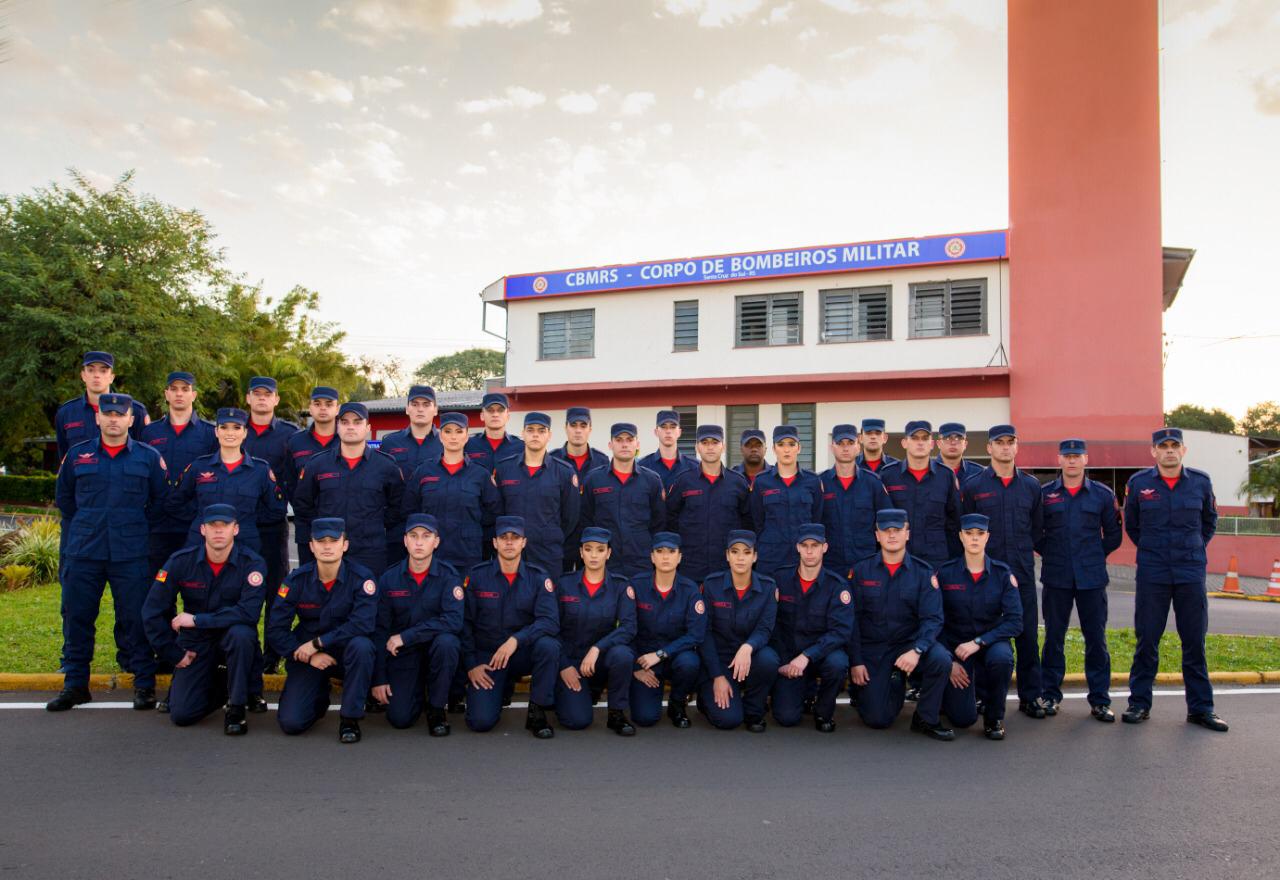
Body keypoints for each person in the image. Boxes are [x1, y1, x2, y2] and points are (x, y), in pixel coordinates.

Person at [47, 393, 167, 713]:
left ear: (131, 419)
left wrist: (133, 529)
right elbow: (66, 500)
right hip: (85, 550)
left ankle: (143, 684)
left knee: (134, 619)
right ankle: (75, 686)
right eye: (107, 414)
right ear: (98, 418)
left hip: (130, 553)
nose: (114, 419)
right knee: (78, 618)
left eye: (120, 414)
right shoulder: (77, 455)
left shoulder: (147, 458)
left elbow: (159, 503)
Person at [1122, 428, 1227, 731]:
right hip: (1153, 572)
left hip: (1190, 572)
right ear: (1153, 451)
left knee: (1194, 641)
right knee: (1147, 640)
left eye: (1174, 446)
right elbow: (1133, 526)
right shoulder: (1139, 484)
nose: (1169, 451)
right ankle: (1139, 703)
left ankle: (1200, 708)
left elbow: (1209, 522)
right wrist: (1157, 552)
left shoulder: (1201, 482)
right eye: (1163, 446)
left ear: (1184, 450)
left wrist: (1191, 548)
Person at [141, 504, 266, 735]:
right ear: (202, 530)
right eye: (213, 526)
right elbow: (152, 610)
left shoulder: (252, 564)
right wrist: (172, 653)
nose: (219, 531)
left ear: (235, 529)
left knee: (242, 634)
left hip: (232, 639)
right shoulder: (181, 561)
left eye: (225, 526)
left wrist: (198, 619)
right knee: (182, 715)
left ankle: (236, 708)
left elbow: (248, 613)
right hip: (196, 644)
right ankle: (223, 687)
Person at [960, 424, 1047, 719]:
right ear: (989, 448)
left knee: (1027, 638)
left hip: (1021, 574)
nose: (1006, 447)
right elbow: (967, 530)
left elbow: (1037, 530)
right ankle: (985, 696)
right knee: (986, 636)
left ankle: (1030, 696)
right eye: (1000, 442)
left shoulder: (1032, 486)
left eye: (1011, 442)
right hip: (987, 577)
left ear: (1017, 446)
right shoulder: (974, 486)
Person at [267, 518, 377, 743]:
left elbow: (362, 624)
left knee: (362, 646)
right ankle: (318, 696)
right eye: (321, 541)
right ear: (311, 546)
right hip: (310, 656)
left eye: (333, 540)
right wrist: (309, 656)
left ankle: (349, 719)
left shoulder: (361, 579)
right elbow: (276, 629)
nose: (327, 546)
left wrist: (318, 643)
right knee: (292, 723)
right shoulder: (296, 581)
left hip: (346, 652)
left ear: (344, 545)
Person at [847, 509, 953, 740]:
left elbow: (933, 619)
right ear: (877, 535)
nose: (892, 535)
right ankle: (889, 684)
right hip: (875, 649)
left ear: (907, 534)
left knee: (941, 659)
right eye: (886, 531)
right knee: (878, 719)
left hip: (909, 644)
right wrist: (856, 662)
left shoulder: (923, 573)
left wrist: (917, 650)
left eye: (897, 530)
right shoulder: (861, 571)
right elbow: (851, 620)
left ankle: (925, 718)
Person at [1037, 439, 1123, 720]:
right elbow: (1036, 533)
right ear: (1059, 460)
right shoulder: (1045, 494)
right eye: (1067, 456)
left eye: (1077, 456)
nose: (1072, 461)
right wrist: (1052, 554)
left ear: (1086, 459)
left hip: (1091, 578)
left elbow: (1113, 534)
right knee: (1053, 638)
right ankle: (1049, 696)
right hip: (1057, 576)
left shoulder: (1101, 494)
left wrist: (1092, 556)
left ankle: (1100, 699)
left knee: (1096, 640)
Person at [461, 516, 562, 738]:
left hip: (522, 652)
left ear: (524, 543)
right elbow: (465, 624)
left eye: (515, 538)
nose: (509, 542)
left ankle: (537, 711)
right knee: (480, 722)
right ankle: (500, 687)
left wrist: (516, 640)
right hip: (488, 657)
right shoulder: (477, 577)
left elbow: (550, 621)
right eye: (504, 538)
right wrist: (471, 665)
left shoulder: (538, 577)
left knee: (549, 646)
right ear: (495, 543)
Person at [371, 514, 463, 736]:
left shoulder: (449, 577)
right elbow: (380, 629)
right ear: (405, 541)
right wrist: (379, 678)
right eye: (413, 536)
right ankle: (417, 691)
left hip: (434, 649)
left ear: (436, 542)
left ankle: (437, 708)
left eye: (426, 536)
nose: (419, 542)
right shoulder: (389, 578)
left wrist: (407, 636)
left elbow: (453, 620)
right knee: (399, 719)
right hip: (403, 655)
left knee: (448, 642)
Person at [935, 514, 1023, 740]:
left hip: (989, 643)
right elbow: (935, 620)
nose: (974, 539)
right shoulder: (945, 574)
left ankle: (994, 718)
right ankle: (960, 694)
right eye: (969, 534)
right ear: (961, 537)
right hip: (957, 649)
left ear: (987, 538)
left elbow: (1015, 621)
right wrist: (949, 662)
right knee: (963, 719)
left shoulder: (1003, 574)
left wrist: (979, 642)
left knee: (1002, 659)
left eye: (980, 534)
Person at [292, 402, 404, 576]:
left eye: (357, 422)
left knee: (370, 600)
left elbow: (398, 506)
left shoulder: (386, 466)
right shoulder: (318, 464)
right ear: (338, 426)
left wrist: (375, 525)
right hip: (329, 550)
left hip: (370, 552)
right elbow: (303, 504)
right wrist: (324, 530)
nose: (350, 427)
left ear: (368, 427)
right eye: (345, 422)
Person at [240, 376, 300, 675]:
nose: (262, 399)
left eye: (268, 395)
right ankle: (242, 652)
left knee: (275, 593)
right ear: (248, 398)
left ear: (276, 400)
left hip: (273, 526)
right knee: (239, 590)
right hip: (238, 526)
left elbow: (292, 477)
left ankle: (271, 656)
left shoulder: (289, 435)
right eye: (257, 394)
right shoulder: (234, 429)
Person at [166, 408, 285, 557]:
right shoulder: (199, 466)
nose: (230, 433)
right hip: (201, 544)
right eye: (224, 427)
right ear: (216, 432)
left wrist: (248, 519)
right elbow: (174, 503)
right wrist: (201, 517)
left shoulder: (260, 470)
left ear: (245, 433)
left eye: (236, 428)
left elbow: (277, 510)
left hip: (244, 545)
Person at [553, 527, 638, 734]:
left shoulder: (620, 586)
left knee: (623, 654)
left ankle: (616, 713)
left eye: (600, 550)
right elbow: (551, 628)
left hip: (600, 660)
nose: (593, 555)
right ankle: (572, 693)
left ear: (608, 553)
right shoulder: (564, 584)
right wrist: (563, 665)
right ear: (580, 552)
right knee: (577, 721)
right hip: (571, 662)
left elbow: (628, 627)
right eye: (588, 549)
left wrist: (597, 648)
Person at [769, 524, 854, 732]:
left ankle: (823, 710)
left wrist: (807, 656)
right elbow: (772, 624)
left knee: (838, 663)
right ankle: (804, 692)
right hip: (789, 658)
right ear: (797, 547)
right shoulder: (780, 580)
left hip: (820, 655)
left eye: (814, 545)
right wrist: (781, 661)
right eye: (804, 545)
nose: (809, 551)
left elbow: (840, 632)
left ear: (824, 548)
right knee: (786, 718)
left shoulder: (837, 586)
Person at [698, 530, 781, 732]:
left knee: (769, 659)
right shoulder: (711, 585)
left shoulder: (768, 587)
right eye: (735, 552)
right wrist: (717, 676)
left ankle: (754, 711)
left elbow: (765, 628)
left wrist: (748, 647)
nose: (740, 558)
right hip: (720, 660)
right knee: (728, 721)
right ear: (727, 555)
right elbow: (704, 633)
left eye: (746, 552)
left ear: (755, 556)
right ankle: (706, 696)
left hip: (750, 657)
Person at [402, 411, 501, 572]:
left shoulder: (480, 475)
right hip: (430, 557)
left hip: (468, 557)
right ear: (440, 436)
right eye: (448, 431)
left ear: (467, 436)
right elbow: (409, 510)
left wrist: (472, 530)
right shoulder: (424, 472)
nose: (453, 437)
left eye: (459, 431)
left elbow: (494, 513)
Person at [142, 371, 216, 577]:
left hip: (194, 524)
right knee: (157, 587)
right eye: (174, 389)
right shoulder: (150, 433)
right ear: (166, 394)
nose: (179, 394)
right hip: (158, 524)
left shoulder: (210, 434)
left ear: (194, 395)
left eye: (185, 389)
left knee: (196, 586)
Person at [629, 532, 706, 728]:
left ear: (679, 557)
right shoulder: (636, 586)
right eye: (660, 551)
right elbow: (625, 628)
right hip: (644, 661)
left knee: (690, 662)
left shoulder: (690, 590)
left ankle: (677, 702)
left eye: (671, 552)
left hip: (674, 658)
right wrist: (635, 668)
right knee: (645, 718)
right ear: (652, 557)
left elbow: (696, 634)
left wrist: (661, 654)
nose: (665, 557)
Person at [493, 412, 581, 576]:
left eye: (541, 430)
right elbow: (497, 511)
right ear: (523, 434)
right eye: (530, 430)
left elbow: (571, 517)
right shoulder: (505, 469)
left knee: (547, 600)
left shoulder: (563, 472)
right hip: (512, 555)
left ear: (549, 435)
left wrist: (547, 534)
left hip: (547, 554)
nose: (535, 434)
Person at [665, 424, 751, 582]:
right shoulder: (684, 481)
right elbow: (670, 520)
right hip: (690, 568)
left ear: (723, 446)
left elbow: (748, 523)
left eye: (715, 442)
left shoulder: (738, 483)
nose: (710, 447)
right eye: (705, 443)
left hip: (727, 568)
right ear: (697, 447)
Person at [580, 423, 666, 577]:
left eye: (629, 439)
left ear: (637, 444)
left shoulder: (652, 480)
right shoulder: (594, 479)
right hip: (605, 564)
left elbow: (659, 523)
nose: (624, 444)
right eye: (619, 440)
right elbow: (585, 520)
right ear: (610, 444)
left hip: (642, 563)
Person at [879, 421, 962, 568]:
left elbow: (954, 522)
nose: (920, 443)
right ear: (904, 443)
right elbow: (880, 519)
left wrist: (953, 562)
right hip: (899, 558)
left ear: (931, 443)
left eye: (925, 438)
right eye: (915, 438)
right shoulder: (888, 475)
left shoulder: (946, 476)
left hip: (937, 560)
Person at [378, 385, 444, 565]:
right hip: (399, 527)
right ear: (407, 409)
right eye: (415, 404)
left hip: (436, 527)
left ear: (435, 409)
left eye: (426, 404)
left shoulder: (445, 442)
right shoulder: (391, 443)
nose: (420, 409)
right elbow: (382, 485)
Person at [749, 425, 823, 575]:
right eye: (781, 445)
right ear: (774, 448)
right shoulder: (761, 482)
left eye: (791, 444)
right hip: (771, 559)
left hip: (802, 560)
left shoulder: (813, 481)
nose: (786, 450)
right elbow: (757, 521)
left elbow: (817, 518)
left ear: (799, 448)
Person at [820, 423, 891, 578]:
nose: (845, 448)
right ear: (832, 447)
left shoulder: (873, 483)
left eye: (850, 443)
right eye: (840, 443)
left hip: (866, 565)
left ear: (858, 446)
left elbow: (886, 524)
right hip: (830, 566)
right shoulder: (820, 483)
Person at [54, 351, 149, 461]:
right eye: (90, 370)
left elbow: (146, 454)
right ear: (83, 375)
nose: (96, 375)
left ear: (112, 377)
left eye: (103, 371)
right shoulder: (66, 413)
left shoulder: (134, 410)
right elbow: (65, 458)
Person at [549, 405, 610, 569]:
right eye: (573, 425)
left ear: (590, 429)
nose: (578, 431)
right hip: (561, 542)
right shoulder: (551, 461)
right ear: (565, 428)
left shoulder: (602, 462)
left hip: (593, 545)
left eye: (583, 426)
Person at [283, 386, 339, 497]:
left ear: (337, 409)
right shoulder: (296, 442)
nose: (323, 408)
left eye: (329, 404)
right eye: (317, 404)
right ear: (310, 409)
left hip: (340, 512)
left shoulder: (347, 442)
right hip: (306, 513)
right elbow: (289, 482)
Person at [463, 391, 524, 472]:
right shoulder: (467, 444)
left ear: (508, 416)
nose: (495, 414)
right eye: (490, 410)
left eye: (500, 410)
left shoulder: (521, 447)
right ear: (482, 416)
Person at [638, 410, 695, 493]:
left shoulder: (694, 467)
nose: (668, 431)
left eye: (672, 427)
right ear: (656, 432)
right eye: (664, 427)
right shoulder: (642, 467)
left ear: (679, 432)